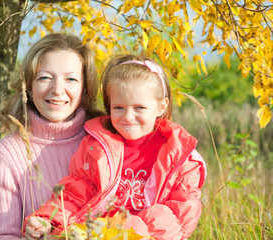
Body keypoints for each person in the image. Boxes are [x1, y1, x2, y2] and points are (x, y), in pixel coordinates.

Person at [23, 54, 207, 240]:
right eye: (118, 107)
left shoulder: (180, 156)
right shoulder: (96, 148)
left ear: (161, 106)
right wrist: (49, 220)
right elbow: (74, 196)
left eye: (139, 108)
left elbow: (181, 212)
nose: (127, 116)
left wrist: (129, 231)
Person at [0, 33, 102, 240]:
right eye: (45, 77)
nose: (57, 90)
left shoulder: (105, 140)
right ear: (28, 87)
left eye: (71, 79)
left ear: (84, 89)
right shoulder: (7, 154)